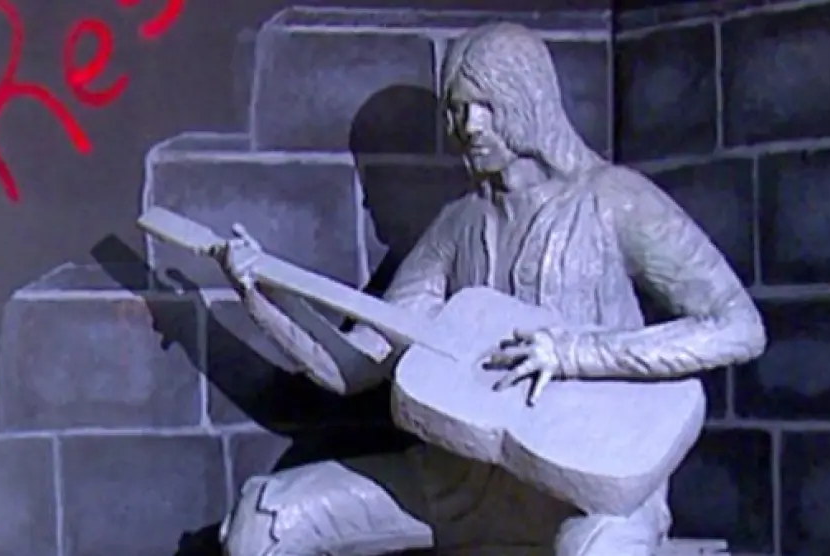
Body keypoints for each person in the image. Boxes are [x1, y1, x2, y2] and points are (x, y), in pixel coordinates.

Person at [217, 22, 766, 556]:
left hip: (593, 493)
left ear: (529, 101)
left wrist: (577, 353)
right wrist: (263, 297)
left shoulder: (615, 200)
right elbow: (356, 366)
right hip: (460, 485)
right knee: (267, 519)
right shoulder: (457, 226)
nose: (470, 126)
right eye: (458, 110)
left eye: (486, 105)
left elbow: (738, 327)